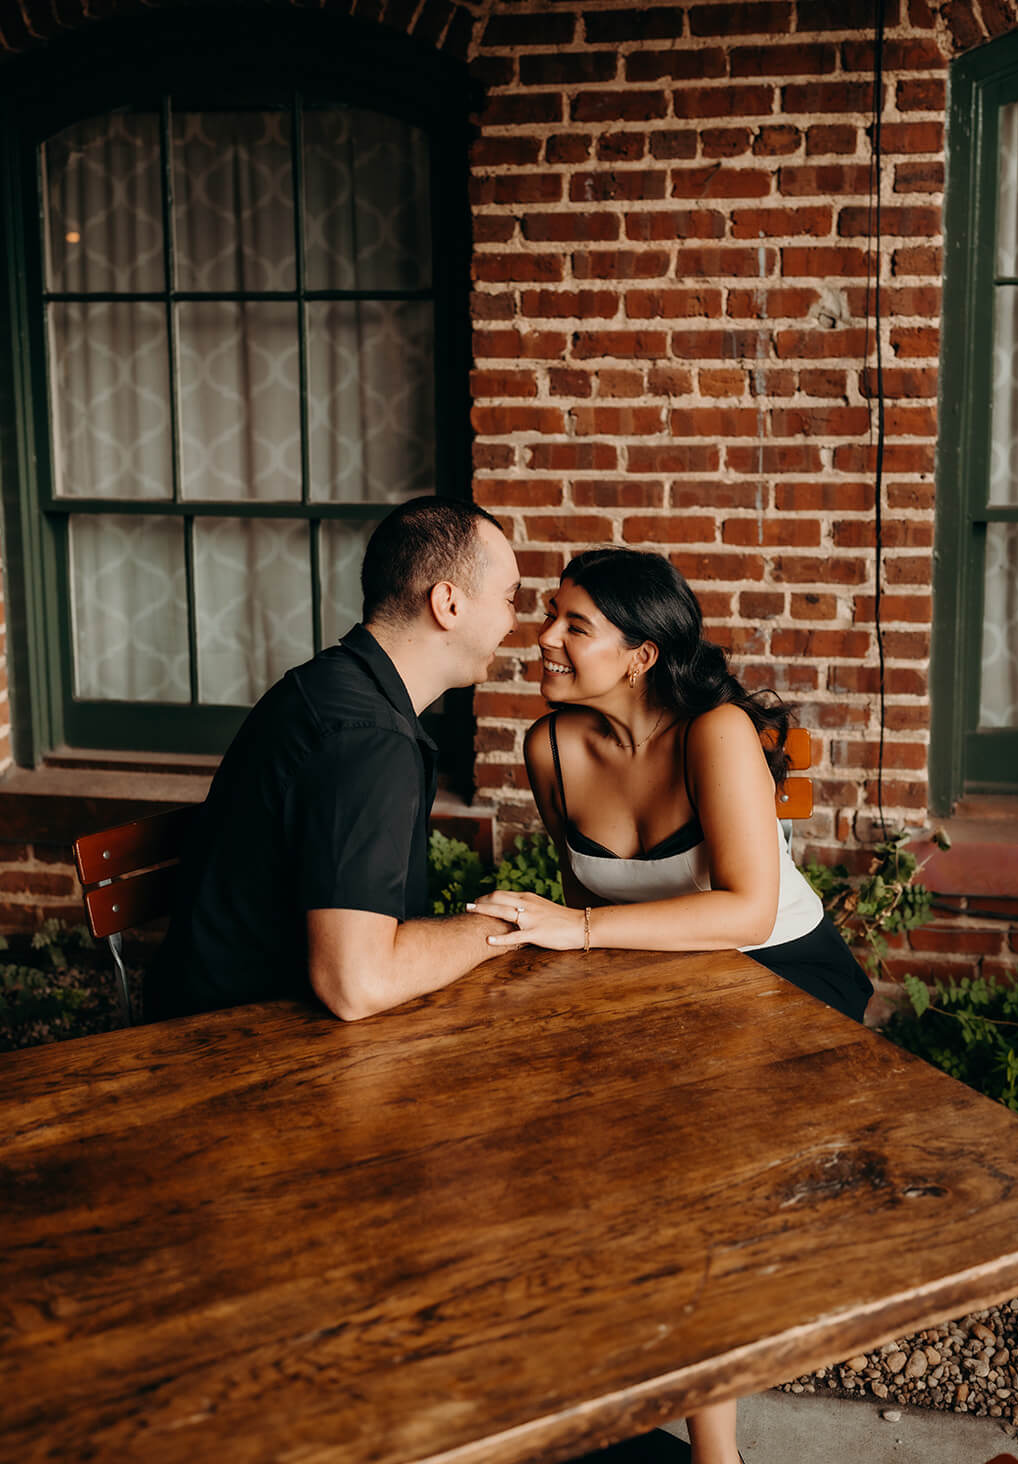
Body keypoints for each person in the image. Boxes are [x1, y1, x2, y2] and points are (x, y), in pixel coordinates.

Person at [469, 547, 873, 1464]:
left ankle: (712, 1449)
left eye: (576, 625)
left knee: (689, 1176)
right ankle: (585, 1372)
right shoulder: (549, 748)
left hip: (781, 976)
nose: (544, 639)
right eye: (548, 616)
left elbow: (746, 908)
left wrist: (570, 931)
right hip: (658, 984)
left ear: (640, 655)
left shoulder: (714, 732)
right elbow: (610, 904)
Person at [145, 496, 520, 1024]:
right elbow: (355, 984)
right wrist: (505, 926)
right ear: (449, 605)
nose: (515, 621)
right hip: (239, 1046)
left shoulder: (335, 688)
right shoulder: (367, 740)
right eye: (509, 598)